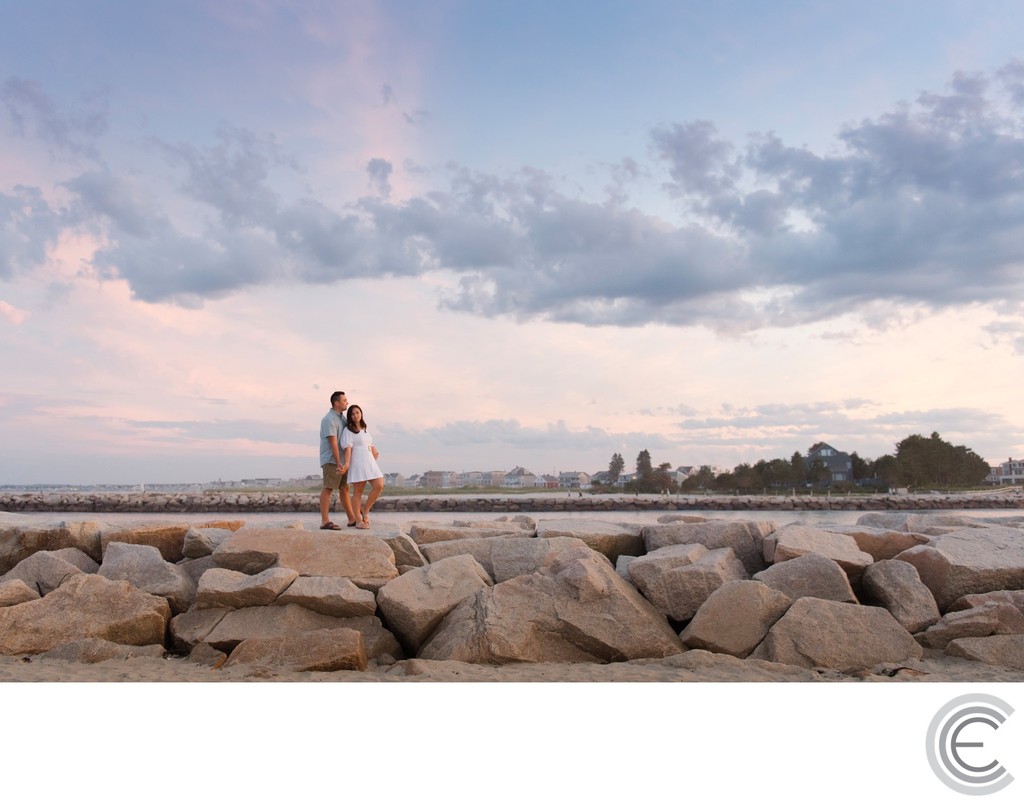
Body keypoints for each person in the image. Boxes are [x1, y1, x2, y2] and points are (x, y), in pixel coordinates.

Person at [339, 404, 384, 529]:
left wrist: (374, 450)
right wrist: (347, 464)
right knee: (358, 491)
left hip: (369, 460)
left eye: (357, 413)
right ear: (350, 416)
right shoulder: (348, 430)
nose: (355, 415)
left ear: (361, 413)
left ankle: (365, 510)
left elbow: (368, 442)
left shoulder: (365, 428)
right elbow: (348, 448)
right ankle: (358, 520)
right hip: (358, 460)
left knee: (379, 484)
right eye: (352, 414)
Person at [318, 390, 357, 530]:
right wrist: (338, 462)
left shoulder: (342, 419)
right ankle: (325, 521)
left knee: (345, 489)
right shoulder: (329, 419)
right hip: (332, 460)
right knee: (328, 488)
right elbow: (332, 442)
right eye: (344, 400)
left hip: (342, 461)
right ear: (337, 403)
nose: (347, 402)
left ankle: (352, 519)